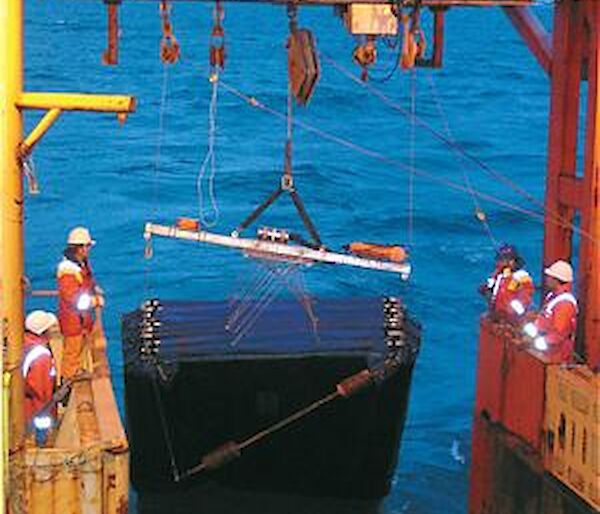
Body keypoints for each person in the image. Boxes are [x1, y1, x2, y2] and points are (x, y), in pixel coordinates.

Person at [56, 226, 104, 380]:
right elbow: (74, 299)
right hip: (73, 321)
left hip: (81, 320)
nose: (89, 249)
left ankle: (76, 372)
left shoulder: (80, 264)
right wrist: (95, 301)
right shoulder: (68, 272)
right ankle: (67, 383)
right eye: (88, 246)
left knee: (79, 350)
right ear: (81, 248)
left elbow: (86, 282)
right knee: (72, 353)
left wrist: (94, 288)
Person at [523, 260, 577, 362]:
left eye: (549, 277)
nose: (546, 279)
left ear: (556, 280)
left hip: (555, 356)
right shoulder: (553, 296)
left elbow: (558, 335)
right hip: (545, 352)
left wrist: (535, 342)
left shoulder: (565, 304)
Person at [23, 310, 57, 438]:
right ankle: (40, 441)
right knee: (39, 441)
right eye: (50, 328)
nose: (53, 330)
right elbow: (41, 390)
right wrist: (47, 412)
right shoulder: (41, 355)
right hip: (36, 411)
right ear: (43, 332)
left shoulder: (25, 343)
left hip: (25, 405)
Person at [480, 244, 534, 321]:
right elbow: (492, 289)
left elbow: (526, 296)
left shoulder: (521, 276)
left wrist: (515, 312)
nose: (500, 262)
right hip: (498, 315)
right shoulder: (500, 274)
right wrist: (485, 290)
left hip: (514, 317)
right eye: (500, 259)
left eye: (503, 260)